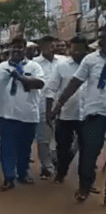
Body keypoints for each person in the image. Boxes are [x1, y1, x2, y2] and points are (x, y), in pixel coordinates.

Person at [50, 29, 106, 202]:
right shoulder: (91, 60)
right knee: (89, 153)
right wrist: (59, 104)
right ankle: (85, 185)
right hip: (95, 114)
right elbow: (75, 83)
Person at [0, 36, 45, 191]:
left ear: (25, 50)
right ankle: (8, 177)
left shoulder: (35, 67)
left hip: (28, 115)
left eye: (20, 47)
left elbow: (40, 83)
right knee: (6, 147)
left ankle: (23, 174)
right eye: (13, 47)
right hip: (6, 115)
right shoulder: (1, 67)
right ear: (9, 49)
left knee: (24, 148)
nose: (16, 50)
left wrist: (21, 78)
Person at [44, 36, 88, 186]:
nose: (76, 53)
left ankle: (87, 181)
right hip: (66, 113)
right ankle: (61, 173)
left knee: (87, 148)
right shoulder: (62, 67)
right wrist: (49, 111)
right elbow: (51, 89)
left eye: (79, 50)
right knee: (62, 146)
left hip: (88, 115)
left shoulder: (94, 65)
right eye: (73, 49)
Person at [33, 36, 61, 180]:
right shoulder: (34, 64)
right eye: (49, 45)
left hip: (62, 106)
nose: (52, 47)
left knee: (59, 138)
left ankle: (56, 161)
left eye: (53, 44)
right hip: (42, 106)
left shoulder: (63, 61)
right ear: (42, 47)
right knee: (43, 138)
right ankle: (47, 167)